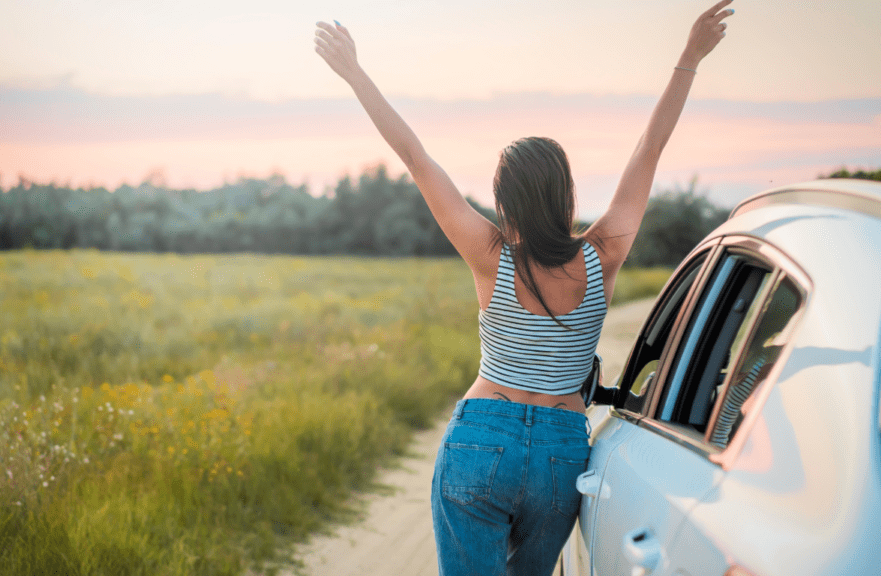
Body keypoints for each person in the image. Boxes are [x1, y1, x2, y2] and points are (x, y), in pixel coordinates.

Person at [314, 2, 733, 573]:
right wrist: (689, 57)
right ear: (566, 194)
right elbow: (649, 151)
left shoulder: (489, 256)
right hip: (562, 452)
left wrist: (355, 73)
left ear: (504, 198)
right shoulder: (603, 253)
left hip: (483, 433)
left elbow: (414, 157)